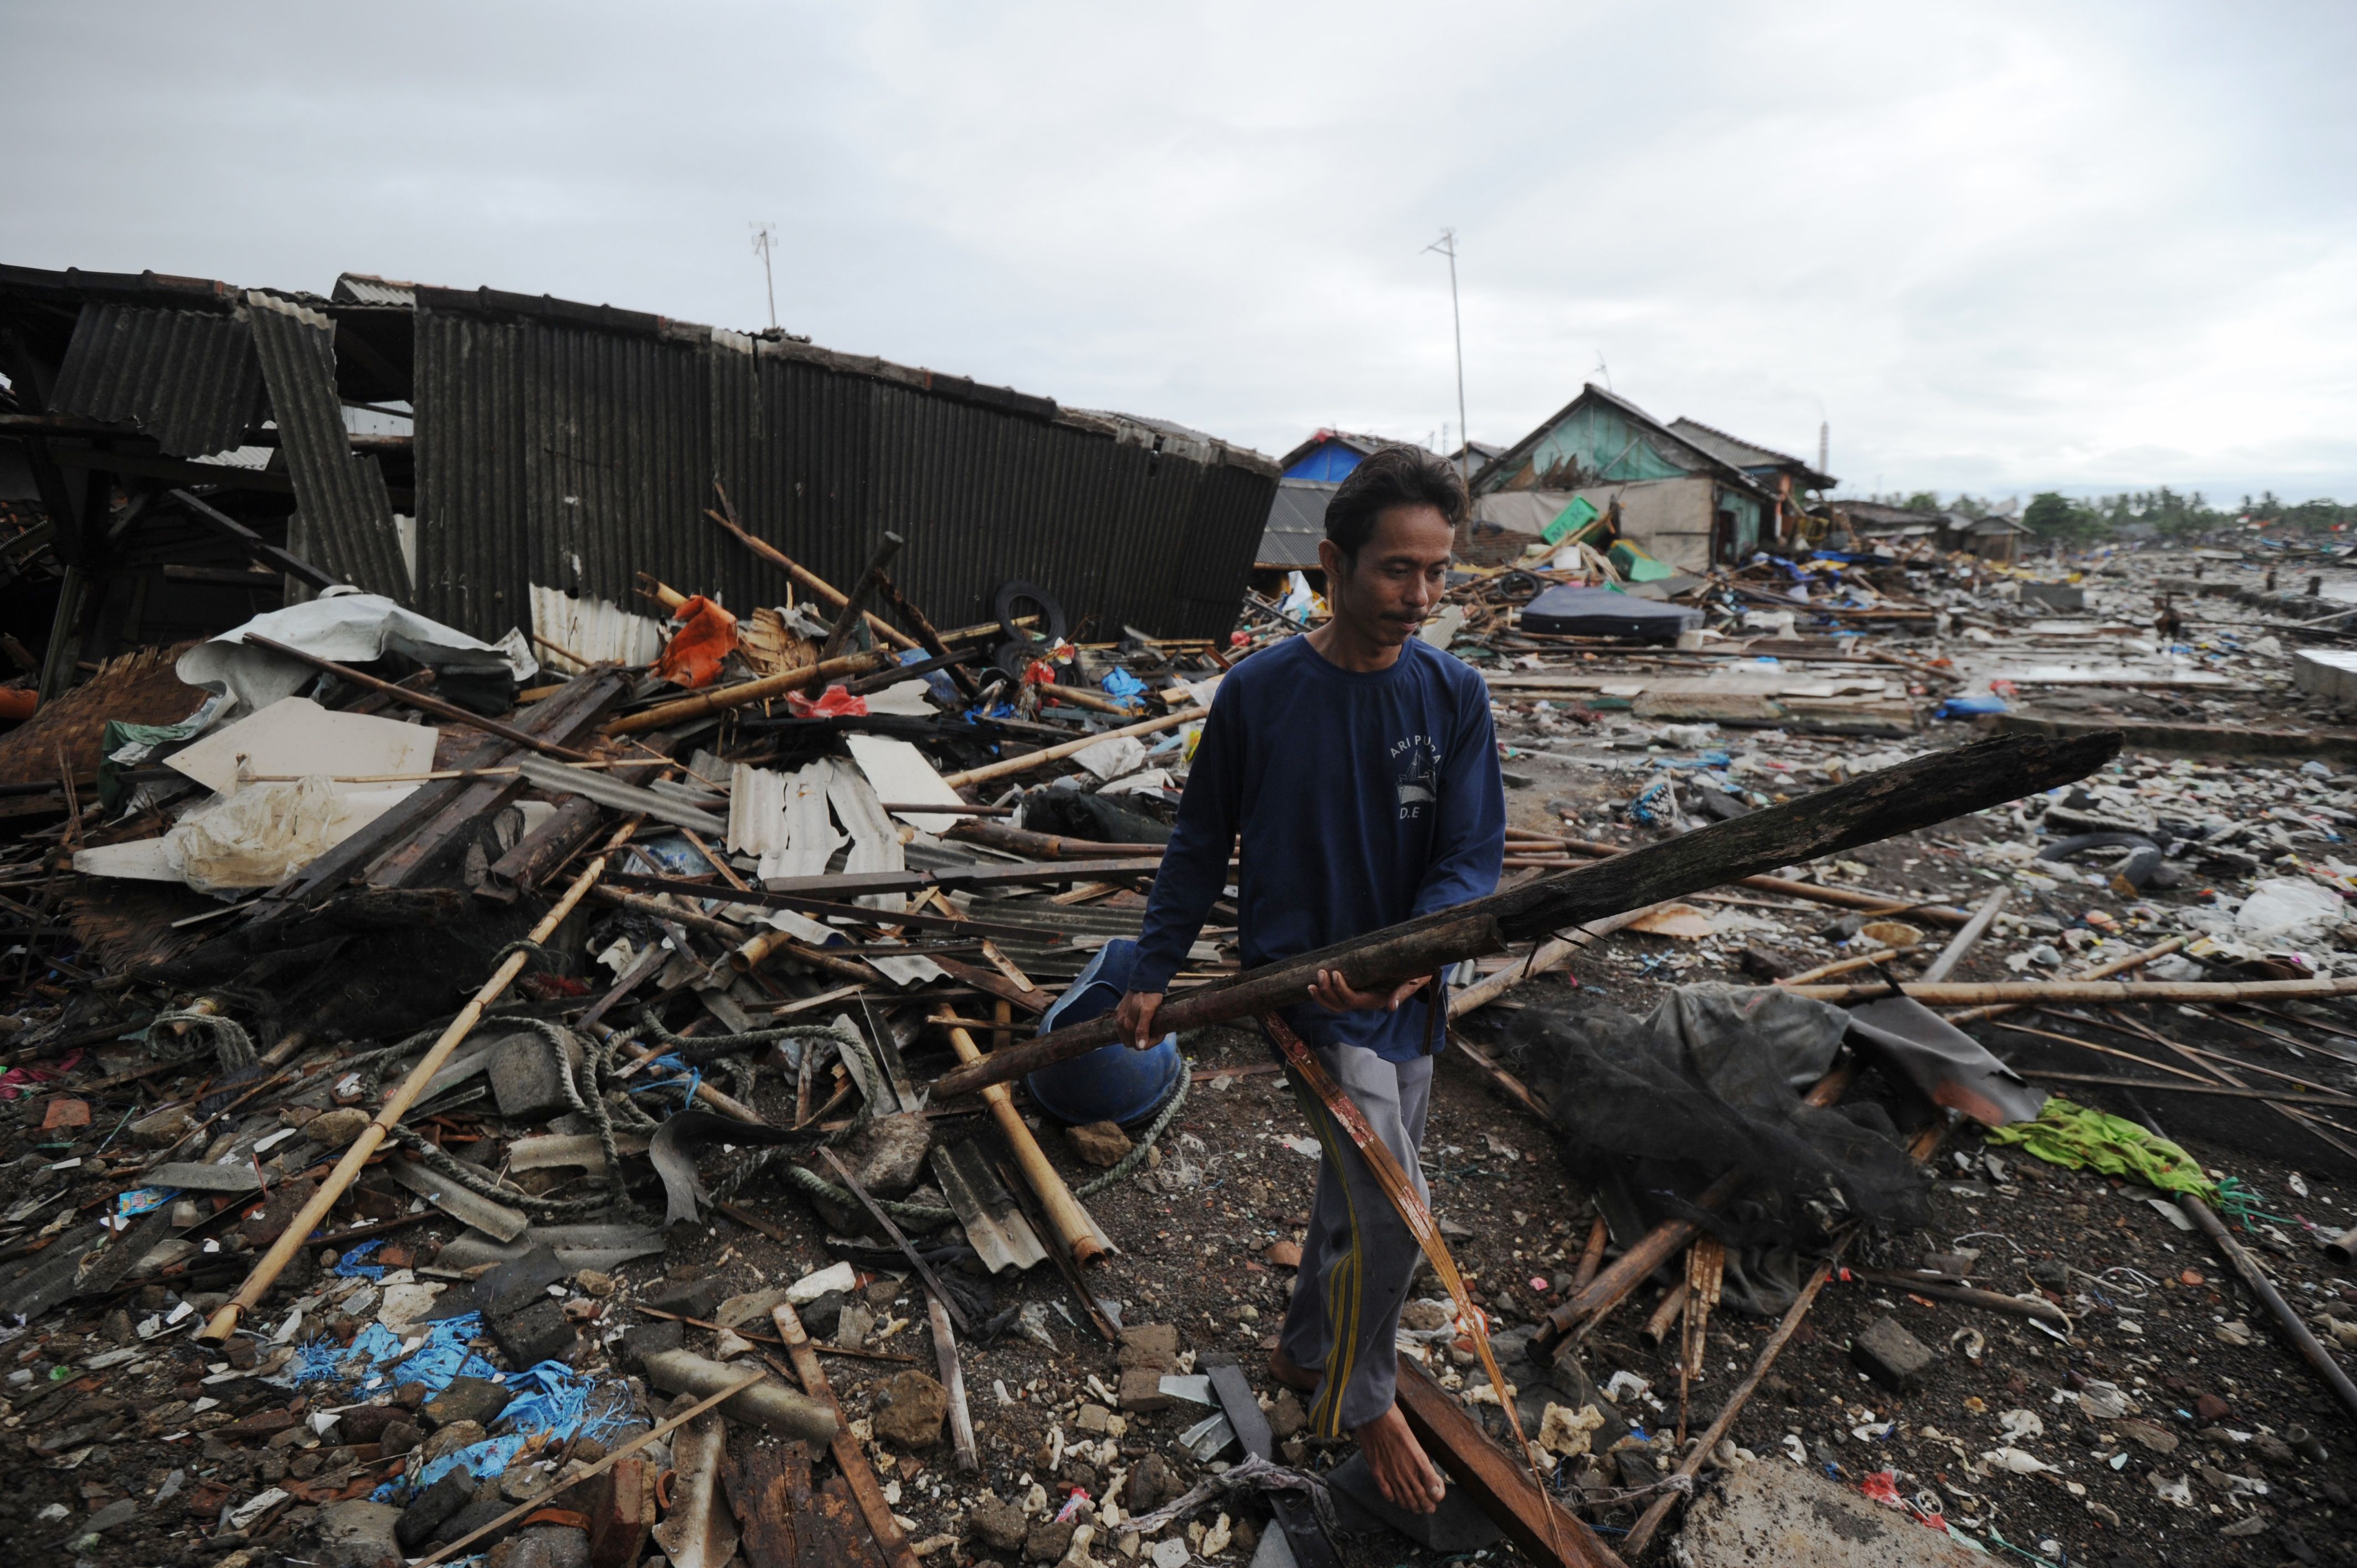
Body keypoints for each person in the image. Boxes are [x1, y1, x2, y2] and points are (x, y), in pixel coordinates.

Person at [1114, 443, 1505, 1514]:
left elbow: (1472, 860)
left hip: (1408, 997)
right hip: (1301, 1001)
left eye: (1437, 572)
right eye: (1395, 571)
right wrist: (1152, 969)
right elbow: (1199, 842)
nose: (1420, 597)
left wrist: (1410, 961)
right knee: (1394, 1202)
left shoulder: (1453, 696)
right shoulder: (1261, 694)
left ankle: (1303, 1344)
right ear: (1332, 565)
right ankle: (1363, 1397)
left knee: (1361, 1182)